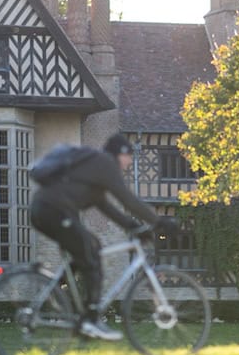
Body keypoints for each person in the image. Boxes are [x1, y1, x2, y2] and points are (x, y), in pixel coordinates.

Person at [29, 133, 170, 341]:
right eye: (129, 156)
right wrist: (158, 221)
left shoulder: (94, 176)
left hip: (46, 211)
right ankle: (90, 320)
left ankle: (59, 291)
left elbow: (108, 208)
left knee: (90, 247)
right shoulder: (104, 162)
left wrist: (134, 227)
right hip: (53, 212)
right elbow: (127, 199)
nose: (130, 162)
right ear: (120, 153)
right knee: (91, 252)